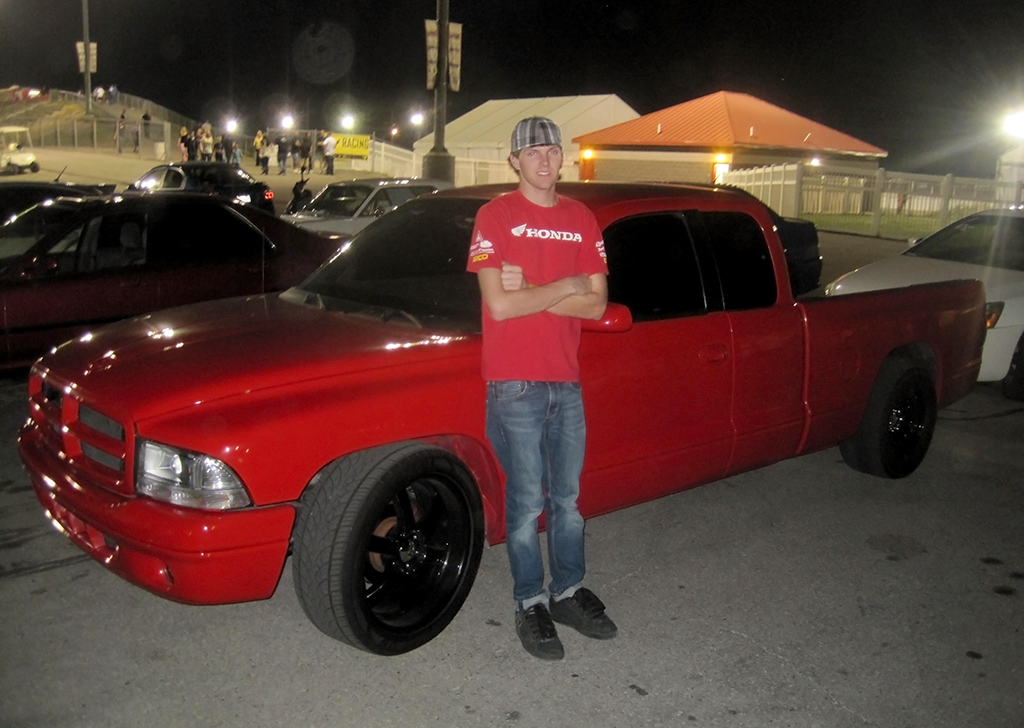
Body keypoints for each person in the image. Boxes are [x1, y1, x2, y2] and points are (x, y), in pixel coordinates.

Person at [466, 117, 615, 661]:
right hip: (514, 384)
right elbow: (501, 306)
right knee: (527, 503)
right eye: (532, 153)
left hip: (565, 382)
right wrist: (564, 286)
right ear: (514, 161)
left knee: (567, 501)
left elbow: (596, 306)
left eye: (551, 150)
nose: (544, 160)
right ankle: (530, 601)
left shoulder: (581, 218)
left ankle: (567, 592)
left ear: (562, 157)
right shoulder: (496, 216)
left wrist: (533, 287)